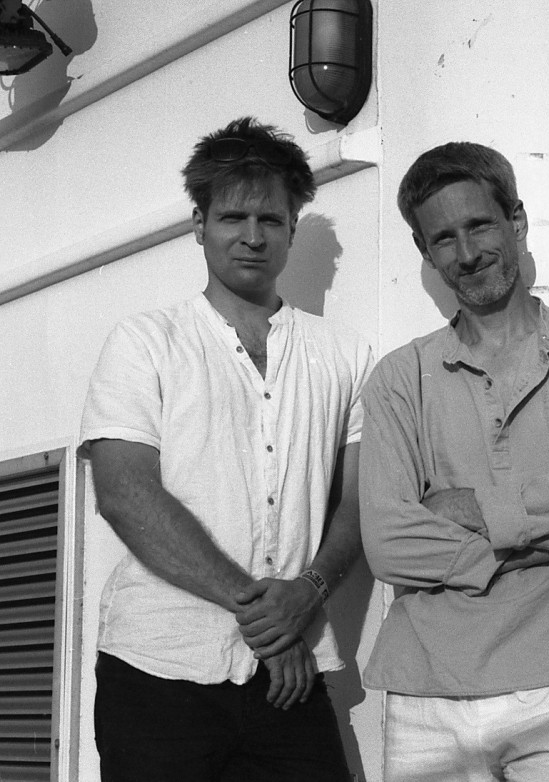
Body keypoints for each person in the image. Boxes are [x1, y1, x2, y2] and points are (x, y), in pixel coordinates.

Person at [78, 117, 373, 781]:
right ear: (199, 224)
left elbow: (360, 500)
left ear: (292, 228)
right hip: (159, 669)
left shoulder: (344, 353)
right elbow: (124, 494)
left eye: (271, 219)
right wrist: (266, 615)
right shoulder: (145, 342)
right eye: (233, 216)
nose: (252, 236)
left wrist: (310, 590)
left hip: (291, 677)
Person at [359, 141, 549, 782]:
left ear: (516, 221)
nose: (466, 253)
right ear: (424, 250)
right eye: (443, 238)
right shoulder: (399, 378)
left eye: (480, 225)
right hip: (426, 694)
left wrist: (463, 509)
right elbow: (387, 544)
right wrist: (530, 540)